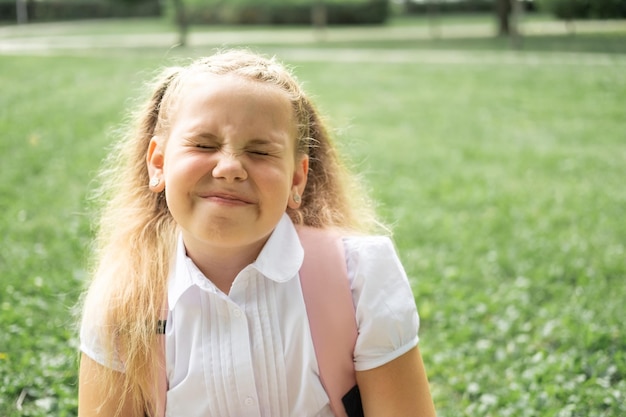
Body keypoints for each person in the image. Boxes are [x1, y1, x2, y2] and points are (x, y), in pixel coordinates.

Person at [77, 49, 436, 417]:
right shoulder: (123, 297)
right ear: (158, 163)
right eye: (203, 144)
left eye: (260, 152)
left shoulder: (359, 278)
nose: (229, 168)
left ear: (297, 178)